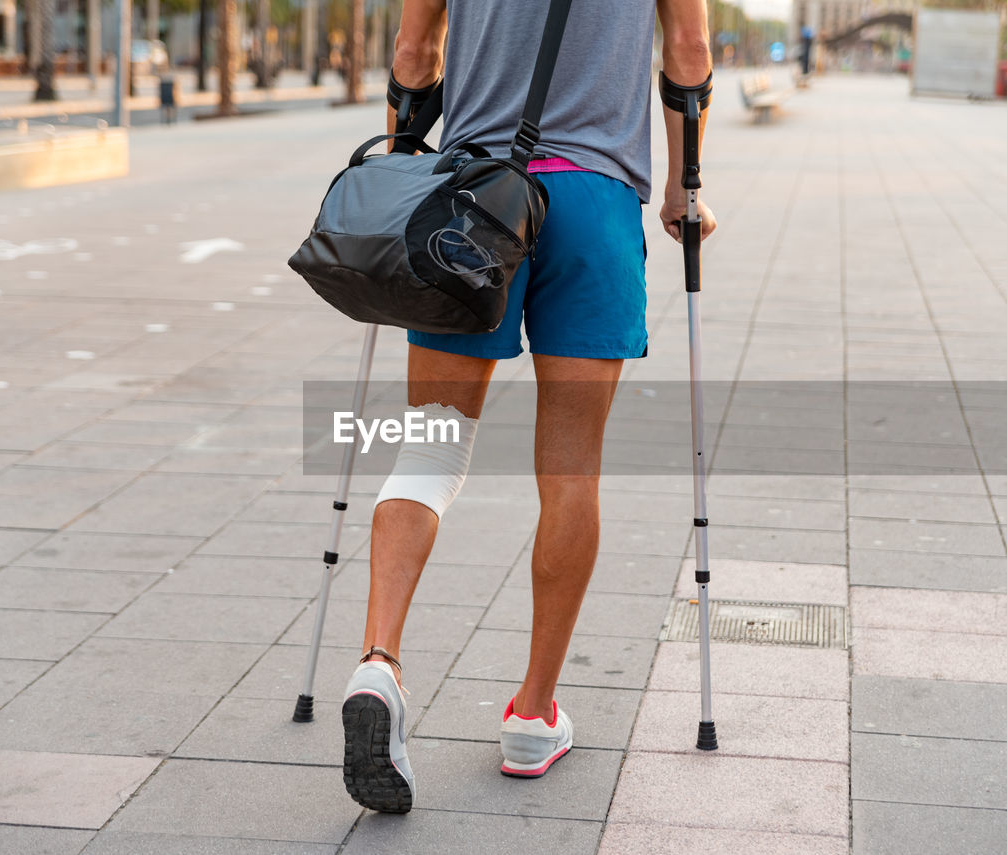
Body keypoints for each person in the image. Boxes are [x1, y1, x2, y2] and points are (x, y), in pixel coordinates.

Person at [340, 0, 716, 814]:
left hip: (470, 207)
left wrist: (405, 154)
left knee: (429, 450)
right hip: (594, 202)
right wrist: (686, 192)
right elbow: (686, 48)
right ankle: (534, 714)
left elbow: (414, 49)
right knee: (571, 473)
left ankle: (379, 661)